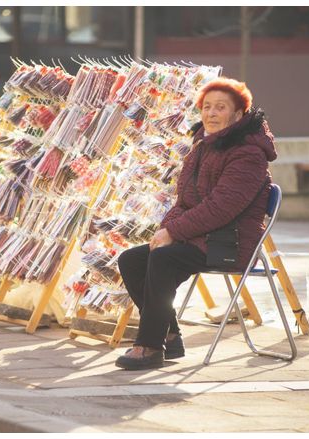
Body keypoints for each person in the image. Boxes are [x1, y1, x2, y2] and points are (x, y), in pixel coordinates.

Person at [115, 77, 278, 370]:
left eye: (220, 108)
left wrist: (174, 232)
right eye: (207, 107)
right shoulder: (203, 146)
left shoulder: (249, 154)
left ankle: (150, 347)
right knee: (132, 260)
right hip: (201, 237)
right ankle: (170, 334)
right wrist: (165, 230)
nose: (211, 113)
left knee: (164, 259)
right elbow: (184, 201)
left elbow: (221, 209)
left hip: (229, 242)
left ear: (238, 115)